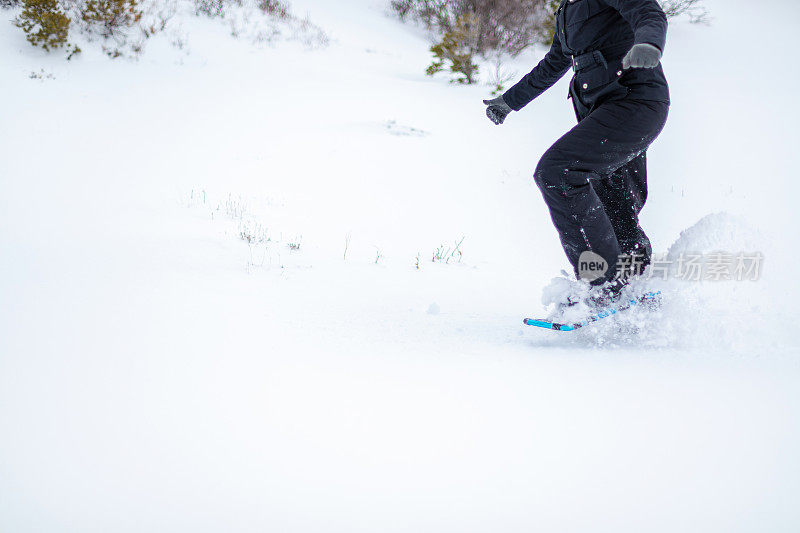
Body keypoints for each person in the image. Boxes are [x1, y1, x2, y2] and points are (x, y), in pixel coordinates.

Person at [483, 0, 670, 303]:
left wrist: (649, 42)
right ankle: (637, 288)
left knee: (557, 172)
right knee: (615, 204)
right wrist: (510, 101)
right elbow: (555, 61)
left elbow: (647, 11)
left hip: (634, 103)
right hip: (604, 109)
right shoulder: (567, 11)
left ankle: (602, 283)